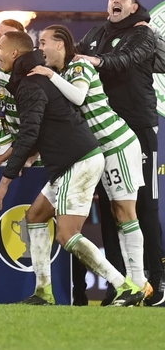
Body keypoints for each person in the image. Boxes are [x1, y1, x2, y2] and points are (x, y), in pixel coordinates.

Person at [0, 31, 145, 307]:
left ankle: (127, 286)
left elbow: (30, 134)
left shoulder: (34, 81)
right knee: (35, 216)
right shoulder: (34, 78)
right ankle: (43, 292)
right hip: (70, 161)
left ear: (14, 53)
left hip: (81, 159)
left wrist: (4, 182)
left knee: (67, 234)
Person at [28, 24, 147, 302]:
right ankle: (45, 292)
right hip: (92, 152)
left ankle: (139, 284)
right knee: (114, 214)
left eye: (44, 42)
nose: (40, 48)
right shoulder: (63, 73)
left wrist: (49, 75)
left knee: (124, 213)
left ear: (60, 44)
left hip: (116, 144)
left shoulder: (79, 67)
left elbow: (79, 96)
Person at [76, 0, 164, 306]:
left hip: (138, 128)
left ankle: (157, 282)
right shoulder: (96, 34)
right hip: (104, 133)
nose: (115, 0)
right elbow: (73, 55)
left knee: (145, 205)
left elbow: (126, 59)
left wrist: (95, 60)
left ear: (133, 7)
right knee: (108, 208)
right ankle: (119, 285)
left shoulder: (143, 33)